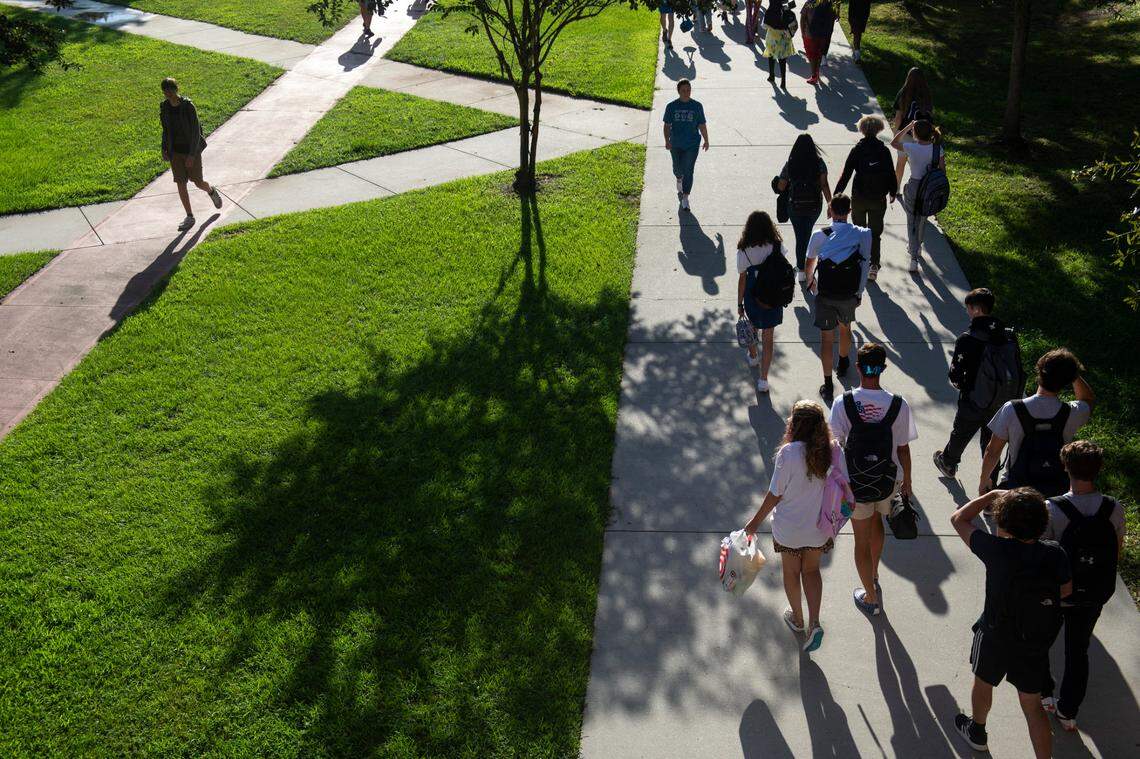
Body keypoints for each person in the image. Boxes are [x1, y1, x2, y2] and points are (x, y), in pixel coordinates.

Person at [950, 488, 1072, 758]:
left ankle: (977, 731)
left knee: (984, 682)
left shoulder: (996, 550)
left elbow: (958, 519)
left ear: (1003, 522)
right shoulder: (1055, 553)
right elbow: (1065, 590)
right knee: (1032, 704)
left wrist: (991, 494)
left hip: (995, 634)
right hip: (1033, 640)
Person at [1040, 441, 1126, 733]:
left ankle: (1045, 694)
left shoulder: (1052, 508)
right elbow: (1117, 549)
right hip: (1094, 593)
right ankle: (1068, 710)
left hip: (1057, 593)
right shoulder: (1114, 508)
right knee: (1078, 651)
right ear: (1099, 470)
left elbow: (1043, 553)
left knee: (1041, 643)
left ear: (1066, 467)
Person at [829, 343, 916, 615]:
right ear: (883, 369)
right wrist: (908, 484)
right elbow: (903, 449)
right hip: (888, 482)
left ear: (858, 367)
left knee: (860, 540)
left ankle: (870, 597)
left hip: (856, 483)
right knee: (878, 523)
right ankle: (874, 575)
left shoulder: (843, 403)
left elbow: (834, 443)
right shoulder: (898, 405)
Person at [744, 400, 836, 653]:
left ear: (795, 425)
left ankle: (798, 618)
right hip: (818, 527)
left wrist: (752, 524)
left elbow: (775, 494)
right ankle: (814, 622)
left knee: (791, 573)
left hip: (789, 529)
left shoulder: (788, 453)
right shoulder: (830, 450)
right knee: (812, 571)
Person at [934, 288, 1024, 480]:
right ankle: (990, 484)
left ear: (975, 309)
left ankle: (948, 463)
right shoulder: (1008, 335)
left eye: (968, 308)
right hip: (1001, 401)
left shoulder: (968, 338)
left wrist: (964, 385)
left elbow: (955, 375)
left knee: (962, 432)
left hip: (974, 398)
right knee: (991, 444)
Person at [979, 348, 1095, 498]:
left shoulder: (1012, 409)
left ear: (1039, 370)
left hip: (1017, 490)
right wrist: (1073, 374)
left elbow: (992, 451)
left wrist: (984, 481)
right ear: (1067, 381)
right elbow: (1088, 400)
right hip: (1055, 491)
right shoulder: (1073, 412)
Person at [805, 194, 870, 401]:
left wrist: (811, 284)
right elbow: (864, 265)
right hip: (848, 294)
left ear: (830, 211)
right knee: (845, 328)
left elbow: (809, 262)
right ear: (849, 212)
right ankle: (843, 362)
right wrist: (859, 293)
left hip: (825, 293)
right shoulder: (862, 234)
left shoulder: (819, 235)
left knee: (826, 339)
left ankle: (828, 383)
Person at [833, 115, 897, 281]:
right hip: (878, 198)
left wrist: (837, 193)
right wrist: (893, 191)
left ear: (862, 130)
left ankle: (859, 262)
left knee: (859, 230)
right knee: (875, 233)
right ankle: (873, 266)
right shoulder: (884, 151)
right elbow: (891, 173)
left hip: (859, 197)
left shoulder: (857, 150)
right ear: (878, 130)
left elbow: (846, 173)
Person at [159, 77, 223, 232]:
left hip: (191, 151)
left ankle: (211, 191)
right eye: (165, 90)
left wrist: (192, 155)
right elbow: (165, 130)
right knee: (180, 183)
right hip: (175, 152)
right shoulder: (164, 107)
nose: (168, 93)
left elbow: (195, 133)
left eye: (171, 89)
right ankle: (189, 216)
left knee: (198, 182)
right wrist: (164, 148)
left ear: (176, 89)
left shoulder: (188, 106)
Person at [736, 211, 788, 393]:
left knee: (751, 327)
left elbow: (742, 278)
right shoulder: (776, 245)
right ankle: (763, 380)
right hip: (773, 294)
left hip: (752, 292)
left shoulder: (744, 250)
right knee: (768, 337)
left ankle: (753, 355)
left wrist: (739, 303)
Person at [890, 117, 944, 274]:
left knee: (911, 220)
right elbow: (942, 171)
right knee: (922, 219)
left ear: (915, 133)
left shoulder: (910, 147)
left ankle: (913, 258)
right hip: (930, 188)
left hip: (914, 186)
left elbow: (894, 142)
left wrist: (907, 126)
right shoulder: (937, 149)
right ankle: (918, 245)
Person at [776, 134, 831, 277]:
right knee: (807, 234)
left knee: (800, 236)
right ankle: (807, 267)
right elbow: (824, 185)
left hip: (795, 206)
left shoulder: (791, 163)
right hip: (814, 206)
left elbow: (781, 186)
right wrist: (830, 203)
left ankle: (801, 269)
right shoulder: (819, 163)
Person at [663, 79, 709, 212]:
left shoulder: (697, 106)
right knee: (678, 169)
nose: (686, 93)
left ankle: (685, 197)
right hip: (676, 143)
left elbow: (702, 124)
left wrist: (706, 140)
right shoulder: (671, 106)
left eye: (688, 90)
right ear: (678, 91)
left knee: (688, 170)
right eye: (683, 90)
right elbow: (666, 126)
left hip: (692, 144)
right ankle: (678, 178)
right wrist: (667, 140)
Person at [801, 0, 837, 85]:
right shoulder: (830, 4)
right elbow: (833, 18)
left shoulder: (809, 3)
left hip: (810, 34)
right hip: (823, 34)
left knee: (812, 55)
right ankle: (816, 73)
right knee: (818, 54)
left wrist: (803, 32)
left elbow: (803, 18)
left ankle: (814, 76)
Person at [762, 0, 795, 89]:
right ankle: (783, 81)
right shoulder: (785, 11)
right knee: (782, 60)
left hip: (772, 37)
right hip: (783, 38)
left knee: (771, 56)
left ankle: (771, 76)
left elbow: (764, 26)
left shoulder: (769, 11)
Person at [891, 67, 933, 132]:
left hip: (905, 131)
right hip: (921, 134)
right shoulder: (926, 93)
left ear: (908, 77)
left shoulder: (904, 92)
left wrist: (894, 132)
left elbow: (898, 117)